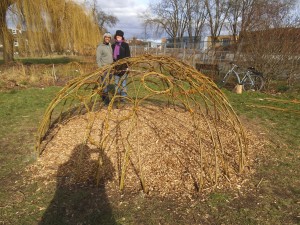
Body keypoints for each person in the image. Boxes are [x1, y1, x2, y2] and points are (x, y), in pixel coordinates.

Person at [111, 30, 131, 101]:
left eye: (119, 36)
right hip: (116, 68)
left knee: (124, 84)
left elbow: (128, 57)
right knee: (116, 83)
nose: (118, 37)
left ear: (122, 37)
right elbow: (112, 57)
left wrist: (128, 67)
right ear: (115, 36)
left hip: (123, 67)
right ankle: (117, 97)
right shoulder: (113, 45)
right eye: (117, 36)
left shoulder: (125, 45)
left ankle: (123, 98)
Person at [96, 32, 113, 105]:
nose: (107, 39)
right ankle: (106, 101)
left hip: (110, 68)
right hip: (104, 68)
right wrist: (101, 69)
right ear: (104, 38)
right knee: (105, 84)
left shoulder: (109, 45)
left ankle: (104, 97)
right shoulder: (100, 47)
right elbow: (98, 59)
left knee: (108, 84)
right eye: (106, 37)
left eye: (109, 38)